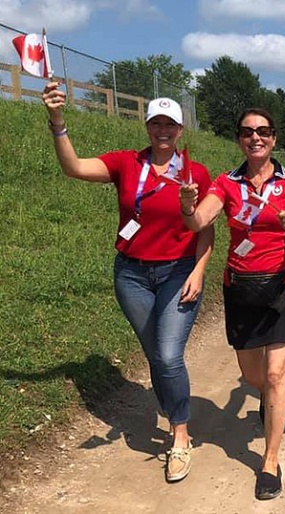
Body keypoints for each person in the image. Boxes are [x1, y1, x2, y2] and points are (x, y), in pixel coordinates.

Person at [41, 85, 214, 483]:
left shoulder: (196, 174)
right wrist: (57, 121)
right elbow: (75, 168)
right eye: (156, 123)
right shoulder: (126, 164)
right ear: (147, 127)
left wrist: (199, 271)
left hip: (178, 272)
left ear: (181, 130)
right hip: (132, 275)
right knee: (156, 353)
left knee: (169, 355)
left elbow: (205, 230)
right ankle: (174, 404)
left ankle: (180, 435)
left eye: (170, 124)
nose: (163, 130)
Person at [179, 107, 285, 500]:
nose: (256, 137)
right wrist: (188, 206)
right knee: (254, 375)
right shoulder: (225, 183)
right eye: (247, 132)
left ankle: (270, 461)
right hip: (241, 289)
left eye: (264, 131)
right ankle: (266, 401)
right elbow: (199, 221)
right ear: (239, 138)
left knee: (276, 375)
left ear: (274, 138)